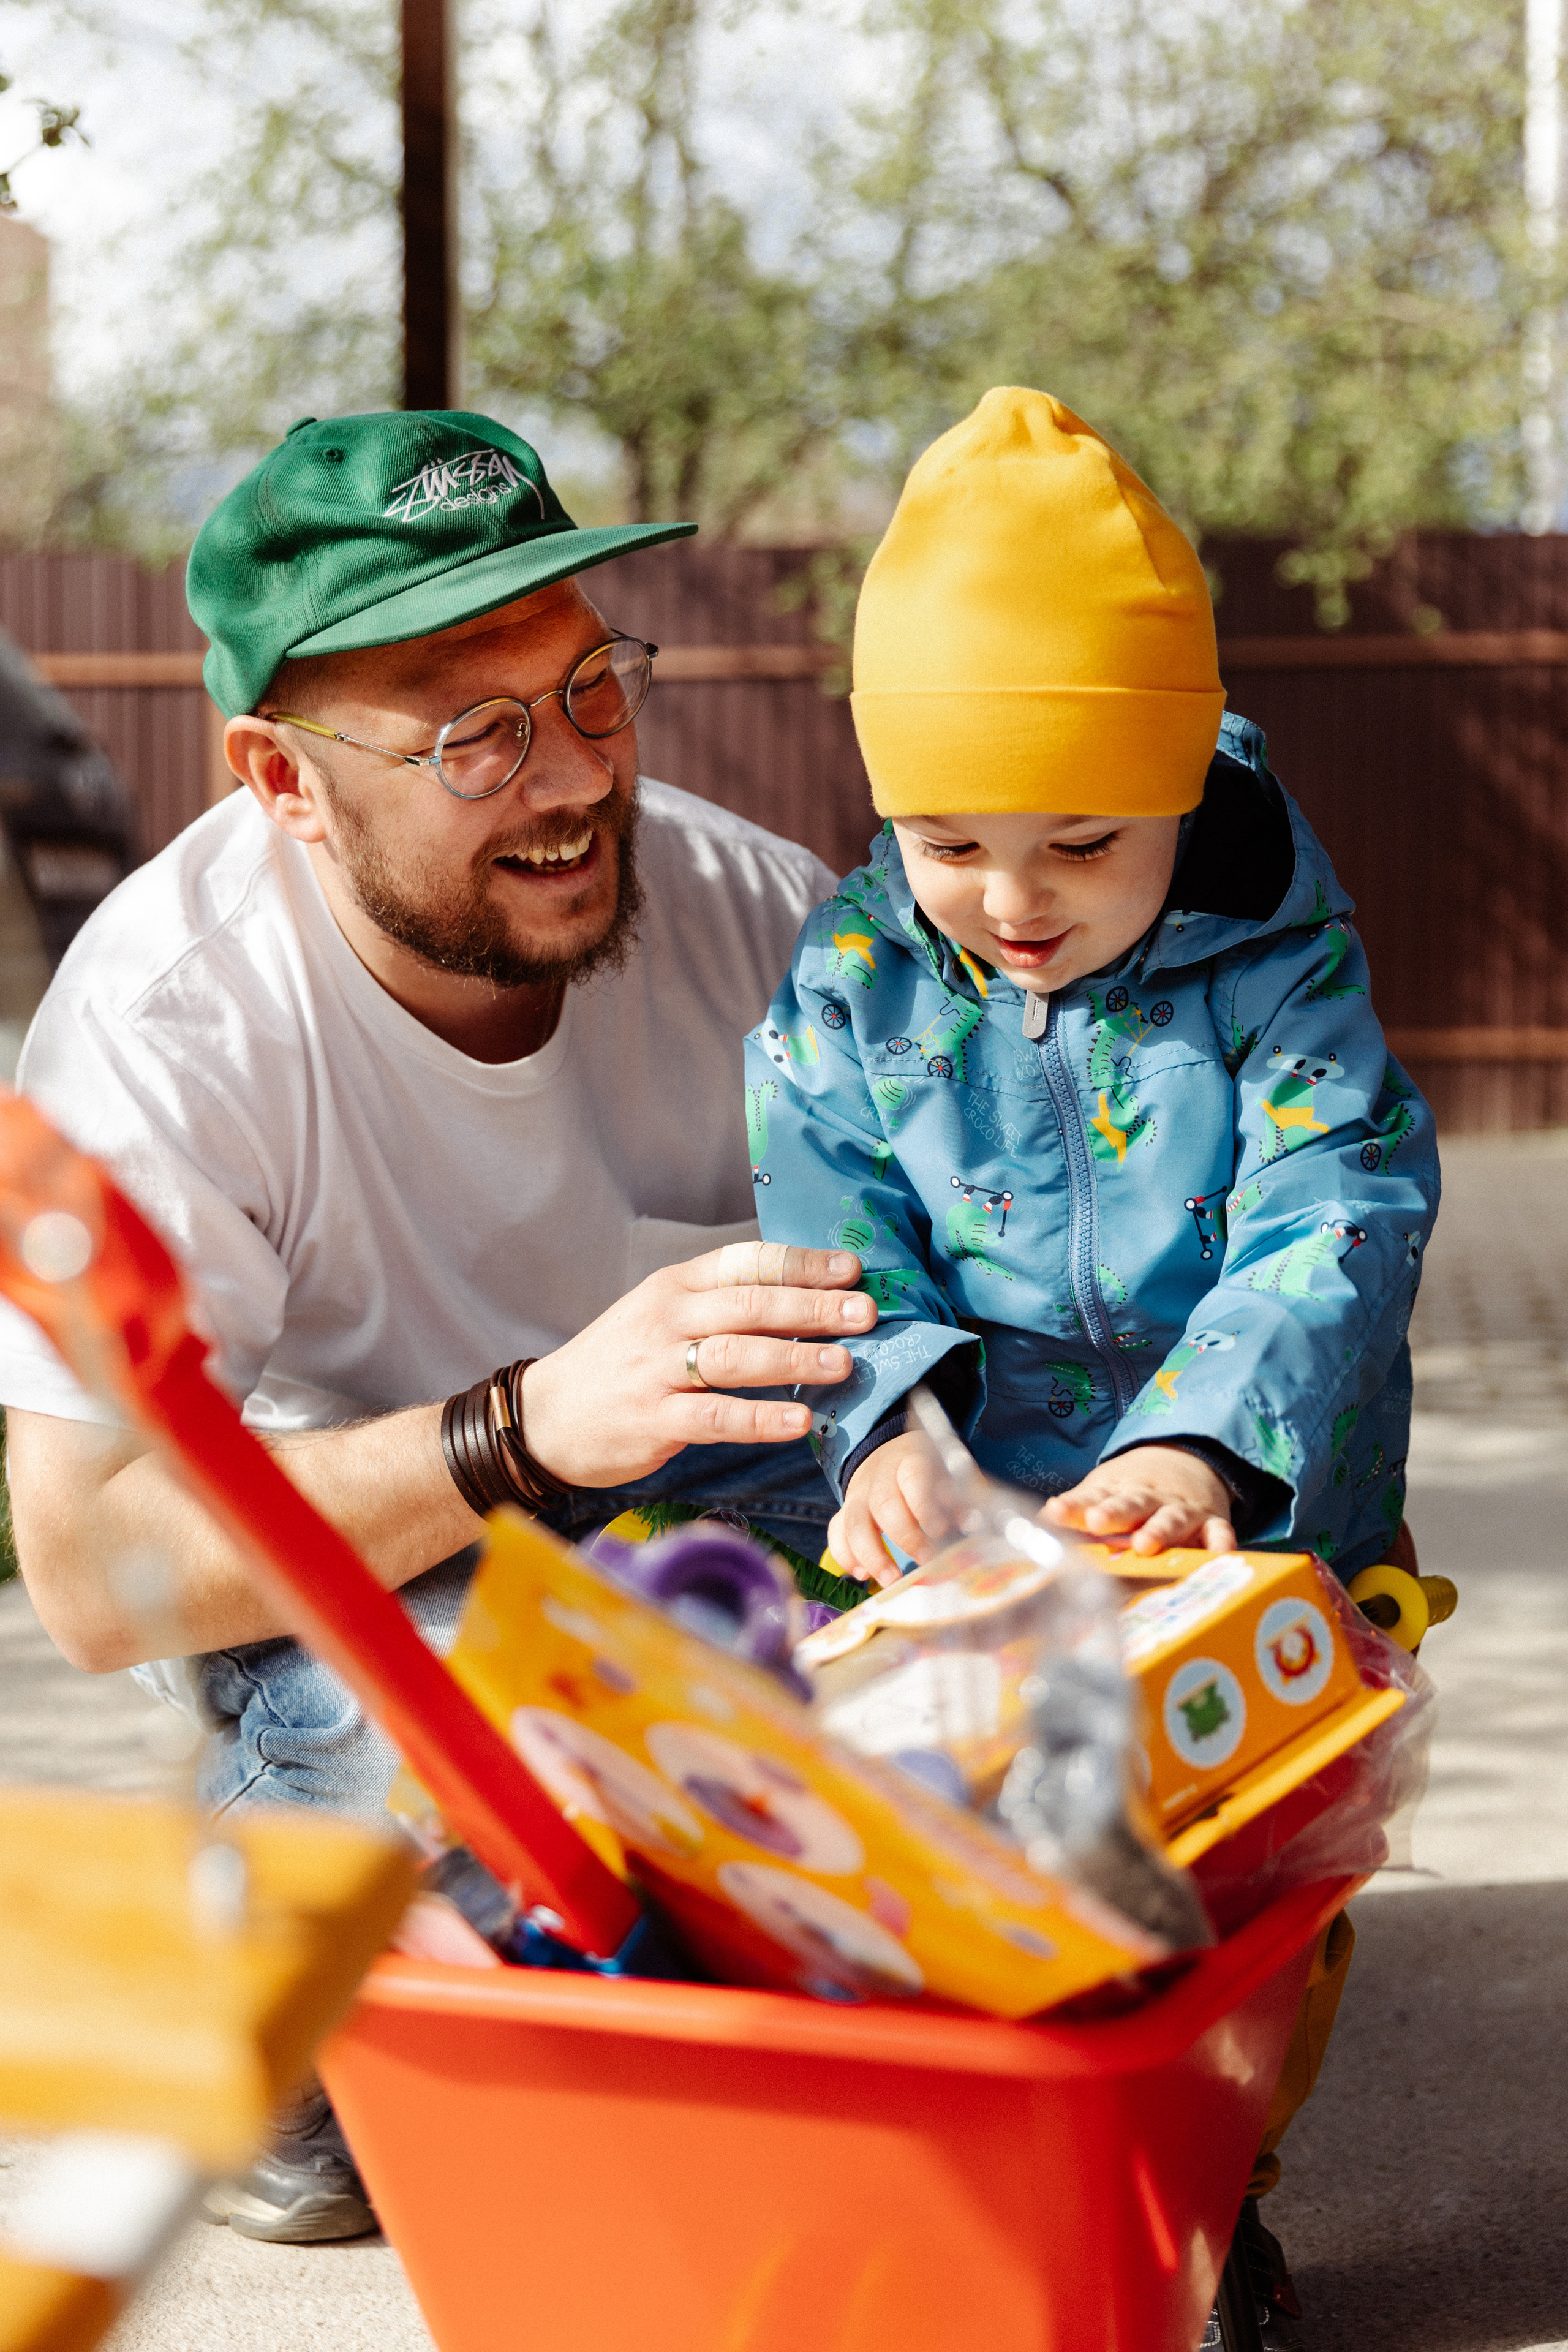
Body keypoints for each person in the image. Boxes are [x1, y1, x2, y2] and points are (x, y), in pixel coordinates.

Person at [0, 406, 878, 2240]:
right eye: (472, 732)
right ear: (282, 777)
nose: (566, 779)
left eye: (588, 693)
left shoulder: (760, 917)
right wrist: (525, 1429)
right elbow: (92, 1572)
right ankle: (282, 1931)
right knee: (474, 1754)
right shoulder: (166, 1036)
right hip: (357, 1590)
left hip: (712, 1518)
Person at [747, 387, 1439, 2350]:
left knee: (1226, 1889)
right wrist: (878, 1413)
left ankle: (1207, 2202)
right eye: (948, 837)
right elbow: (827, 1221)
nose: (1013, 899)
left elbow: (1338, 1210)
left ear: (1175, 789)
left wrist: (1212, 1449)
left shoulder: (1279, 970)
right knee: (945, 1854)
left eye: (1081, 841)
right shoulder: (858, 981)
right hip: (964, 1529)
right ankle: (967, 2180)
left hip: (1236, 1518)